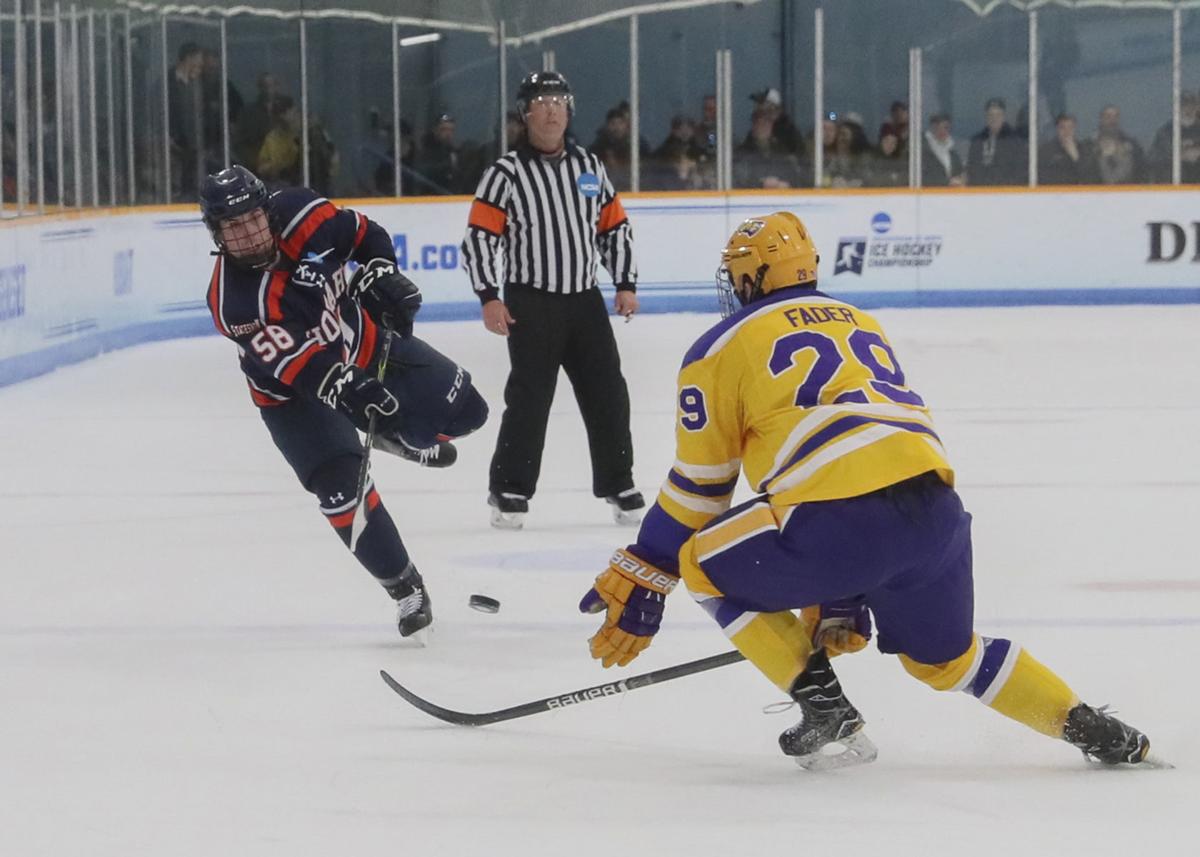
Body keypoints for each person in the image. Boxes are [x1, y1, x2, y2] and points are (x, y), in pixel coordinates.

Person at [579, 210, 1153, 770]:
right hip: (935, 514)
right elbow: (867, 444)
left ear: (751, 277)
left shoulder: (719, 346)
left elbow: (702, 490)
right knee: (949, 660)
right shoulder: (860, 321)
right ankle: (1087, 724)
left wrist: (647, 566)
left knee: (698, 561)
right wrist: (846, 590)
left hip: (836, 518)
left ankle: (823, 707)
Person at [200, 165, 488, 637]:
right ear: (217, 235)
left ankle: (397, 436)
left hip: (363, 342)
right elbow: (310, 370)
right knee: (341, 493)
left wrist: (380, 271)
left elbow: (364, 234)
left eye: (252, 218)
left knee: (470, 412)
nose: (248, 234)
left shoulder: (302, 213)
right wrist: (350, 390)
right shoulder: (234, 303)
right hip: (295, 396)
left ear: (267, 211)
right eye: (233, 227)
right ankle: (405, 586)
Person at [460, 71, 644, 530]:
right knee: (530, 399)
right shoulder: (505, 173)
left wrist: (624, 282)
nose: (551, 109)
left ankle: (620, 483)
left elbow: (613, 226)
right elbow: (480, 238)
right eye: (541, 101)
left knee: (608, 395)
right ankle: (509, 490)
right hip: (532, 302)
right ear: (525, 114)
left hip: (584, 302)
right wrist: (488, 295)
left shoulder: (589, 166)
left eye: (559, 100)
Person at [966, 97, 1027, 186]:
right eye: (990, 115)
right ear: (986, 117)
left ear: (1003, 117)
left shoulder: (1015, 141)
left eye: (998, 115)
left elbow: (1019, 172)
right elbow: (972, 170)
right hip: (981, 195)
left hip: (1006, 194)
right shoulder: (977, 142)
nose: (994, 119)